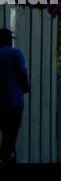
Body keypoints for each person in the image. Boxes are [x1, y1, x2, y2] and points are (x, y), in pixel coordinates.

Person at [0, 28, 30, 163]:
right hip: (14, 100)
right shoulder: (15, 53)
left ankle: (7, 155)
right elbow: (22, 73)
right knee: (12, 132)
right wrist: (26, 88)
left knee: (5, 132)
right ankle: (7, 156)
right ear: (9, 40)